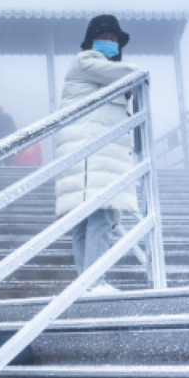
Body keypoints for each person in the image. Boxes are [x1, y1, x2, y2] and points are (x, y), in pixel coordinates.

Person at [54, 15, 141, 295]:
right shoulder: (86, 61)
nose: (111, 43)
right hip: (93, 153)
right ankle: (93, 283)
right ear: (92, 40)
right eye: (106, 37)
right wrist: (138, 75)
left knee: (86, 220)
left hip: (94, 153)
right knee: (100, 216)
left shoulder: (102, 74)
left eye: (115, 40)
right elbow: (134, 73)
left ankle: (86, 284)